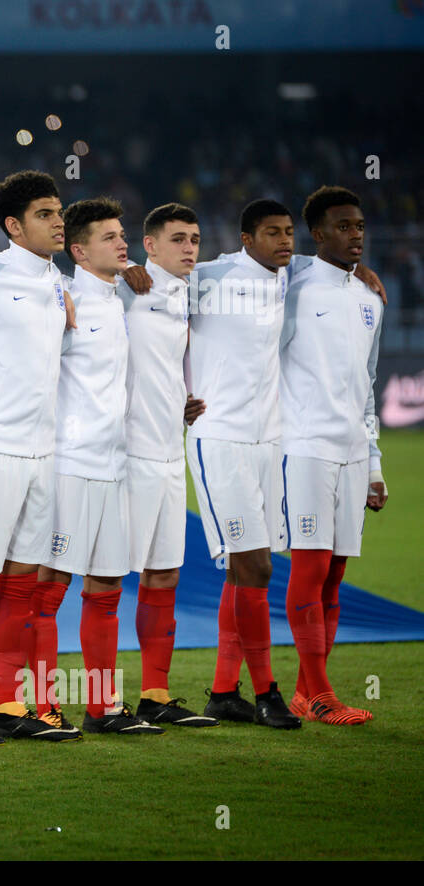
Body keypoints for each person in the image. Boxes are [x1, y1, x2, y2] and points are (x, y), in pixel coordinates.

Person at [0, 170, 81, 742]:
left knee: (21, 587)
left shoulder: (59, 284)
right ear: (13, 225)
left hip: (40, 454)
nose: (58, 223)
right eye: (46, 215)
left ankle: (10, 707)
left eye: (60, 213)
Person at [35, 197, 163, 734]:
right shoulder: (59, 299)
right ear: (79, 251)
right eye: (109, 237)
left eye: (122, 234)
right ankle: (39, 704)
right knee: (49, 586)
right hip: (70, 463)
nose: (122, 242)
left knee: (107, 583)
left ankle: (103, 705)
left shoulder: (121, 300)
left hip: (115, 465)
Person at [188, 199, 302, 729]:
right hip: (220, 439)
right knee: (256, 567)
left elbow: (328, 268)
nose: (285, 241)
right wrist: (132, 273)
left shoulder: (289, 279)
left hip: (268, 443)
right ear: (245, 238)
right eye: (272, 233)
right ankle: (267, 693)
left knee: (242, 573)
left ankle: (221, 693)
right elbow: (149, 296)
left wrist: (360, 271)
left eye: (289, 232)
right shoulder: (209, 277)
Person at [280, 185, 384, 725]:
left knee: (335, 573)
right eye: (343, 227)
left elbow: (367, 388)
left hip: (350, 452)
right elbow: (247, 261)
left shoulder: (369, 300)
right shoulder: (290, 282)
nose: (356, 235)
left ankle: (305, 691)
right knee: (311, 565)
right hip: (304, 448)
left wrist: (375, 465)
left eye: (360, 226)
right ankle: (320, 693)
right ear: (317, 235)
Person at [116, 203, 218, 727]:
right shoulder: (126, 286)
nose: (189, 248)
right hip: (124, 456)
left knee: (164, 575)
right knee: (103, 578)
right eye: (178, 239)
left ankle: (155, 694)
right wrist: (120, 268)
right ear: (149, 245)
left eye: (195, 239)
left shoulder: (186, 294)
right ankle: (96, 702)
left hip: (167, 453)